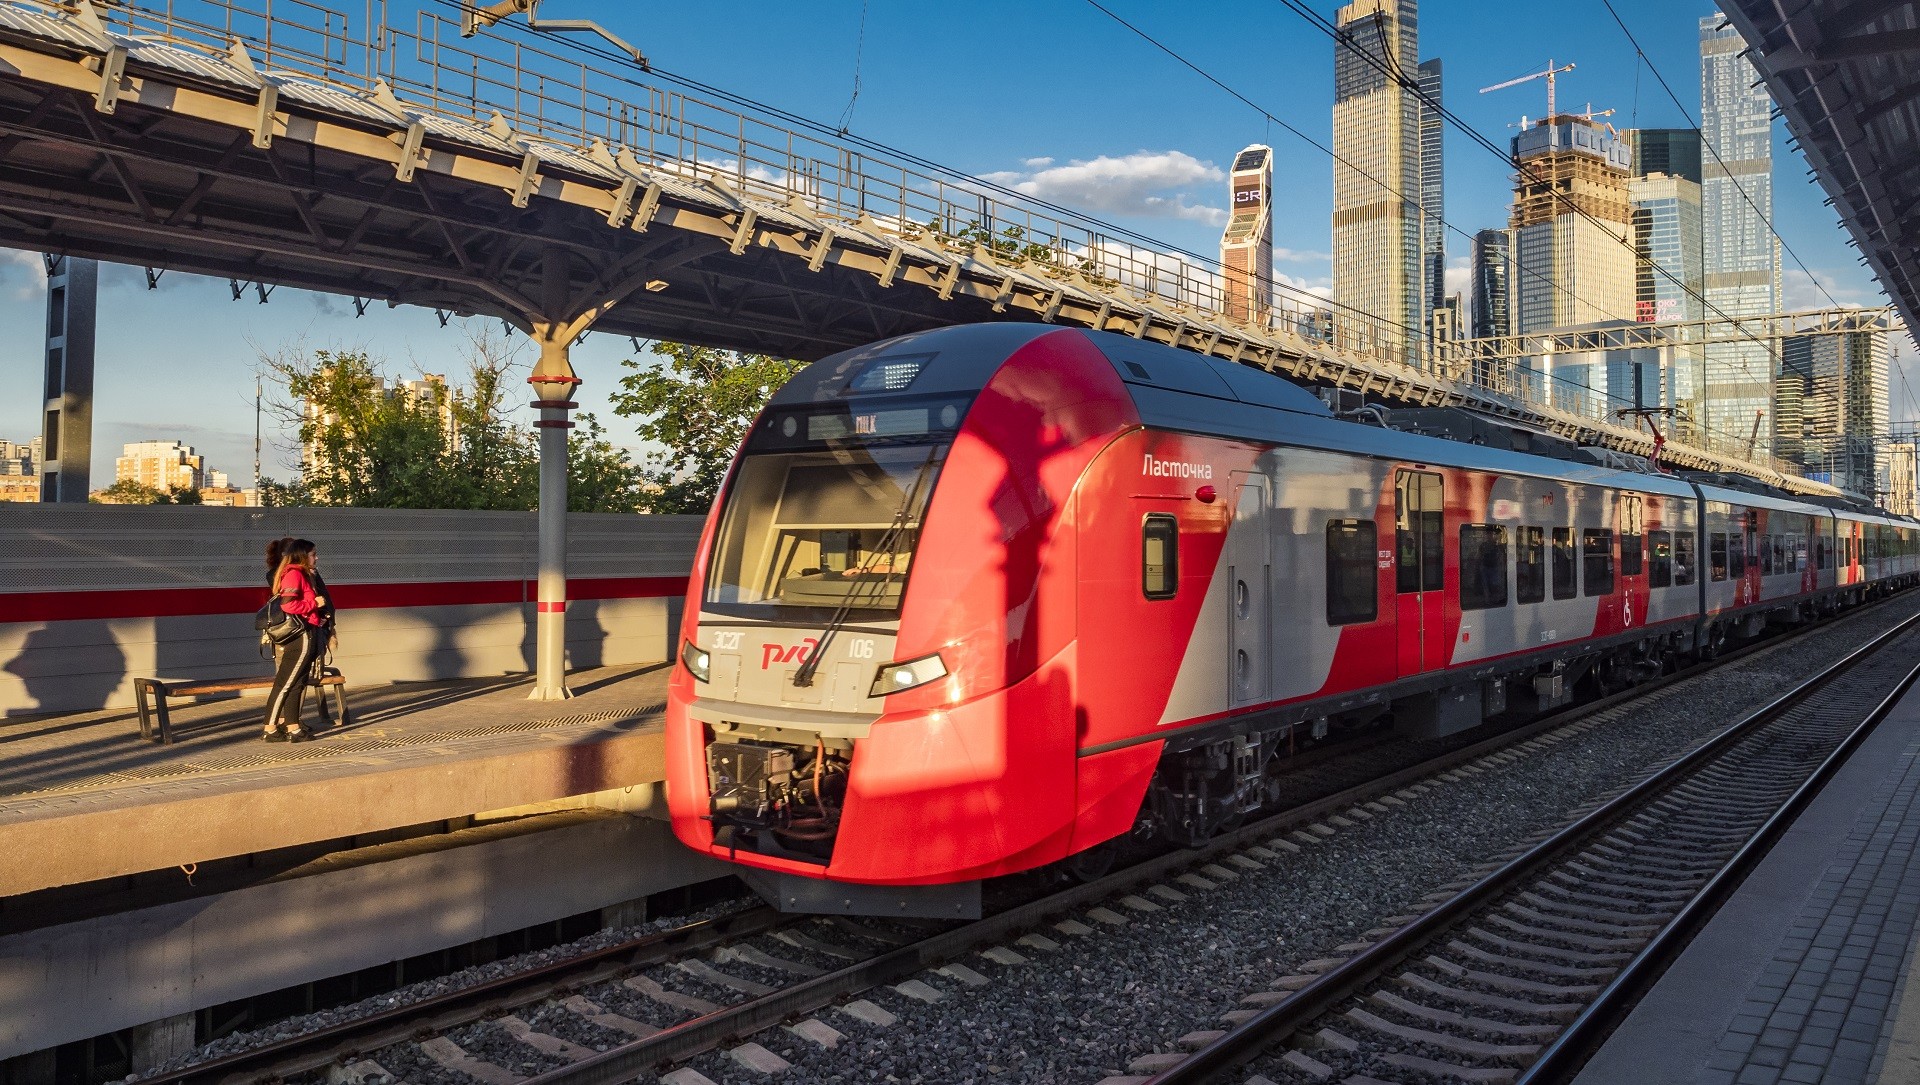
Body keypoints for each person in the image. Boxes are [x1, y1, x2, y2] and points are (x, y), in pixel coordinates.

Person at [263, 537, 328, 742]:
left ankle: (293, 727)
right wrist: (313, 604)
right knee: (285, 684)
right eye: (313, 554)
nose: (316, 558)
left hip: (308, 631)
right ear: (302, 555)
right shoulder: (294, 574)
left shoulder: (302, 574)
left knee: (297, 683)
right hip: (299, 637)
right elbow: (288, 605)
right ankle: (270, 729)